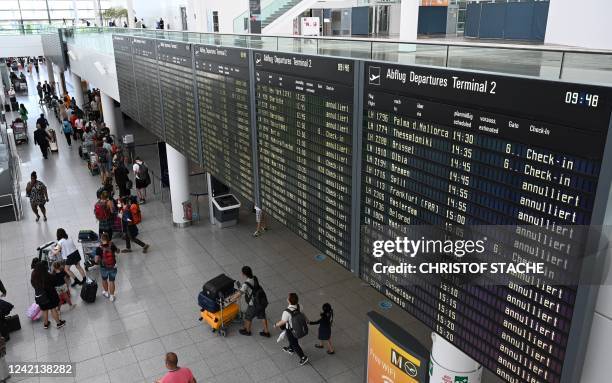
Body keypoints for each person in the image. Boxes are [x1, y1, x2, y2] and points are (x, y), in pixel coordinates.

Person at [234, 266, 270, 337]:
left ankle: (247, 331)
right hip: (261, 300)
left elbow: (239, 293)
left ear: (243, 274)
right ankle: (266, 332)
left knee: (248, 316)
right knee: (262, 316)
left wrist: (231, 299)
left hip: (254, 303)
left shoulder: (246, 284)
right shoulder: (254, 277)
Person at [274, 293, 309, 365]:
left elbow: (283, 322)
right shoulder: (300, 306)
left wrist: (275, 325)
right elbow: (303, 314)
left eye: (288, 297)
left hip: (290, 329)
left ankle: (303, 357)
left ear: (289, 301)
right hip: (298, 327)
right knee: (292, 339)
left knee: (294, 343)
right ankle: (291, 348)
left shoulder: (287, 312)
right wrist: (307, 320)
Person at [30, 261, 66, 329]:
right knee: (53, 309)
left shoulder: (33, 275)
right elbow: (55, 282)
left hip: (40, 297)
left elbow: (33, 284)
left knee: (44, 310)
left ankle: (46, 324)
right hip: (49, 297)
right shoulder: (46, 275)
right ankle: (59, 323)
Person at [95, 233, 118, 301]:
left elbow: (96, 260)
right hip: (113, 266)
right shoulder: (112, 245)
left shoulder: (99, 248)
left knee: (104, 279)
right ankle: (112, 296)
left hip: (103, 267)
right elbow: (118, 251)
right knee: (112, 281)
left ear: (101, 239)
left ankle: (106, 292)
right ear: (108, 239)